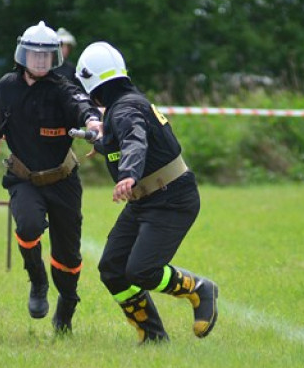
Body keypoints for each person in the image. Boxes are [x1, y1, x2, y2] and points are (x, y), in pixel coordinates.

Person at [74, 41, 219, 344]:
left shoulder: (125, 108)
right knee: (113, 269)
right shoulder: (124, 105)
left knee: (142, 270)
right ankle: (152, 335)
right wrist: (100, 144)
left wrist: (127, 174)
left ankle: (199, 288)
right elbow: (124, 139)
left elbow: (135, 141)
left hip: (171, 199)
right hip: (147, 200)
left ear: (92, 83)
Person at [0, 21, 103, 333]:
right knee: (28, 225)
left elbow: (82, 106)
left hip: (63, 181)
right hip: (24, 179)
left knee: (68, 256)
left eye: (45, 56)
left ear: (55, 58)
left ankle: (66, 308)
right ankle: (37, 281)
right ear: (22, 54)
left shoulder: (63, 87)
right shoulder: (7, 86)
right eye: (34, 55)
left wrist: (93, 122)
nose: (39, 61)